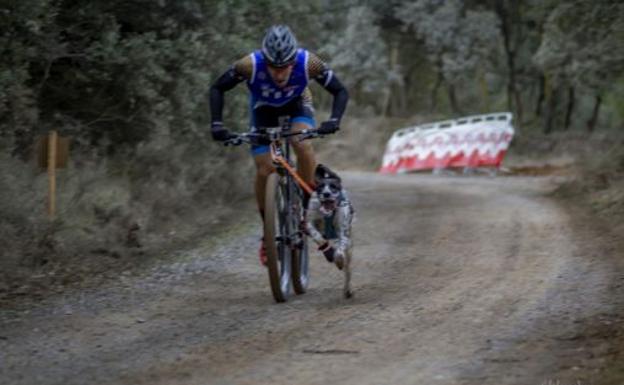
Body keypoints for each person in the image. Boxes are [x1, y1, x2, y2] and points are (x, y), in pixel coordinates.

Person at [209, 25, 349, 265]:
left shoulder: (309, 63)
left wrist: (333, 120)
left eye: (284, 67)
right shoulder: (250, 64)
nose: (279, 74)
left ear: (293, 62)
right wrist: (217, 124)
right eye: (274, 67)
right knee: (265, 169)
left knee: (301, 143)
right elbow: (217, 88)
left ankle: (305, 205)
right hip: (262, 109)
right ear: (266, 60)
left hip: (298, 105)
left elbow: (340, 90)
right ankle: (268, 231)